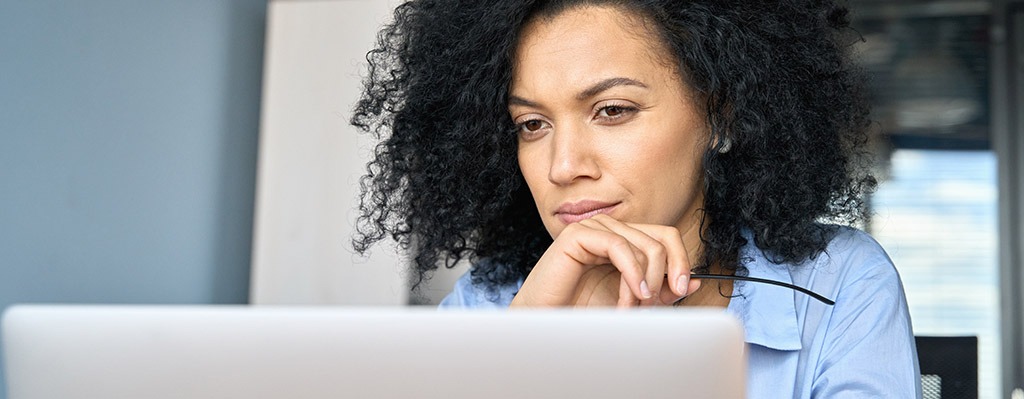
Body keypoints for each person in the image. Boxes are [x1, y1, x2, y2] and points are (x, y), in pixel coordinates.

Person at [351, 0, 921, 397]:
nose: (564, 166)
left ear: (721, 115)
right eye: (531, 124)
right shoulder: (490, 306)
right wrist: (522, 353)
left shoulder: (837, 283)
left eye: (613, 111)